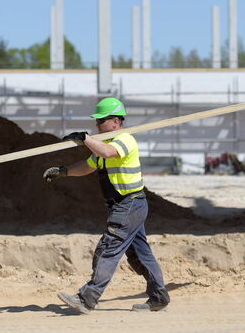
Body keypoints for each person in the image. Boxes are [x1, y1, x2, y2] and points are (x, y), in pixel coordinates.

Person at [43, 97, 170, 314]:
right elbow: (87, 165)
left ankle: (86, 299)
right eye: (96, 121)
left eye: (101, 120)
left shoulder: (125, 140)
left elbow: (107, 153)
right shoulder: (106, 144)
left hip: (129, 205)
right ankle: (158, 297)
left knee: (108, 249)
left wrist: (85, 138)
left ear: (115, 122)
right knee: (140, 254)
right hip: (128, 207)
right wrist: (63, 171)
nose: (97, 125)